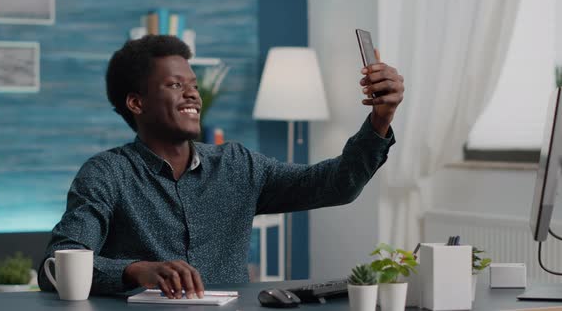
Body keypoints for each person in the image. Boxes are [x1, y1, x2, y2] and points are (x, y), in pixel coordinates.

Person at [38, 35, 404, 299]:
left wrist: (380, 120)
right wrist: (136, 270)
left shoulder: (236, 165)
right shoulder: (106, 174)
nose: (192, 94)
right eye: (175, 84)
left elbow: (336, 185)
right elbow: (56, 265)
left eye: (193, 85)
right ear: (136, 102)